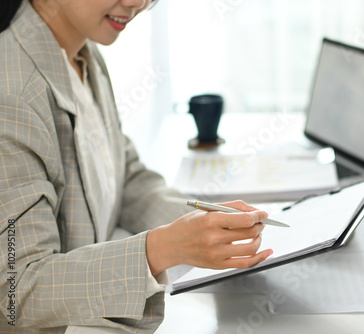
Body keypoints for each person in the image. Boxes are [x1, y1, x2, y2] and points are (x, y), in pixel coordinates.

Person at [0, 0, 273, 333]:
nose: (137, 3)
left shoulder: (82, 53)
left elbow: (124, 176)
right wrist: (162, 247)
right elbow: (17, 289)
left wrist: (214, 226)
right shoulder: (11, 93)